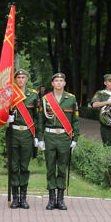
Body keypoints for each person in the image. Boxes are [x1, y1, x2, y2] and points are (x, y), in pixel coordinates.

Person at [38, 72, 79, 210]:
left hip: (64, 138)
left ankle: (60, 200)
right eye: (56, 81)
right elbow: (40, 121)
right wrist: (40, 139)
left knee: (62, 168)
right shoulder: (45, 99)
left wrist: (75, 139)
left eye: (61, 80)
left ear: (65, 83)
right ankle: (51, 199)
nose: (59, 83)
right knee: (50, 168)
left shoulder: (71, 99)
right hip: (49, 137)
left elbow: (75, 121)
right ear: (52, 83)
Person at [6, 69, 39, 209]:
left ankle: (23, 198)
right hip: (13, 133)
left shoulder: (33, 95)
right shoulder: (10, 94)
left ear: (27, 79)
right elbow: (2, 111)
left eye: (23, 77)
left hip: (26, 134)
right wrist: (6, 118)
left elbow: (38, 118)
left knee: (24, 167)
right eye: (18, 77)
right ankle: (15, 198)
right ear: (15, 79)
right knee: (13, 167)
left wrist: (37, 136)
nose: (20, 80)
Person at [91, 74, 111, 146]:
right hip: (106, 124)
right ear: (105, 83)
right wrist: (108, 102)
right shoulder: (100, 93)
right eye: (110, 81)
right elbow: (94, 104)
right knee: (108, 146)